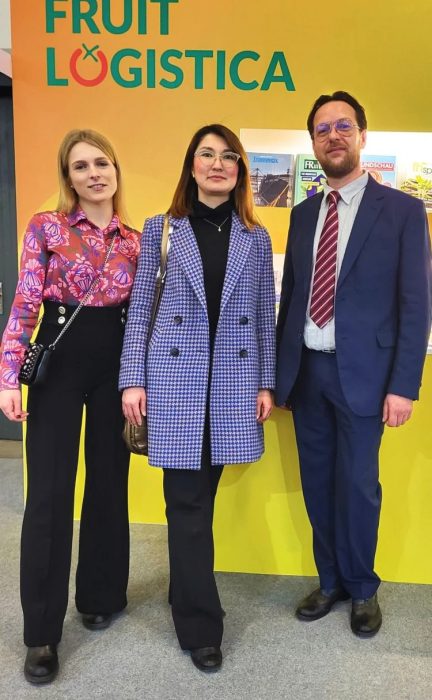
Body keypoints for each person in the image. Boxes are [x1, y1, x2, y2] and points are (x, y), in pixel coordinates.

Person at [276, 91, 431, 637]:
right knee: (317, 484)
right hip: (308, 374)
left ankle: (363, 587)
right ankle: (331, 581)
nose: (333, 136)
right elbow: (292, 298)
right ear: (313, 143)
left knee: (359, 486)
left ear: (363, 135)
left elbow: (416, 304)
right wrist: (280, 378)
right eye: (322, 130)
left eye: (344, 126)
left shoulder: (403, 212)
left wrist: (404, 386)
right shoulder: (302, 215)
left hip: (367, 377)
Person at [120, 124, 275, 671]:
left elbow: (264, 315)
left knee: (200, 499)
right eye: (207, 154)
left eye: (228, 156)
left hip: (232, 385)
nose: (217, 164)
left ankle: (184, 583)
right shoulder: (161, 228)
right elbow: (140, 308)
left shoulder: (255, 237)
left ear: (239, 171)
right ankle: (201, 626)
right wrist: (132, 379)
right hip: (174, 383)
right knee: (186, 504)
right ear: (191, 166)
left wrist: (266, 381)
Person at [0, 129, 140, 683]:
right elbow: (25, 302)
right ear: (69, 177)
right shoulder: (47, 227)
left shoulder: (136, 240)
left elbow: (144, 316)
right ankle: (41, 633)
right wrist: (9, 376)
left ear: (116, 170)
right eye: (80, 166)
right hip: (57, 365)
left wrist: (141, 381)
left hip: (115, 368)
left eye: (101, 163)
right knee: (50, 496)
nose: (93, 174)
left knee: (108, 484)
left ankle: (101, 595)